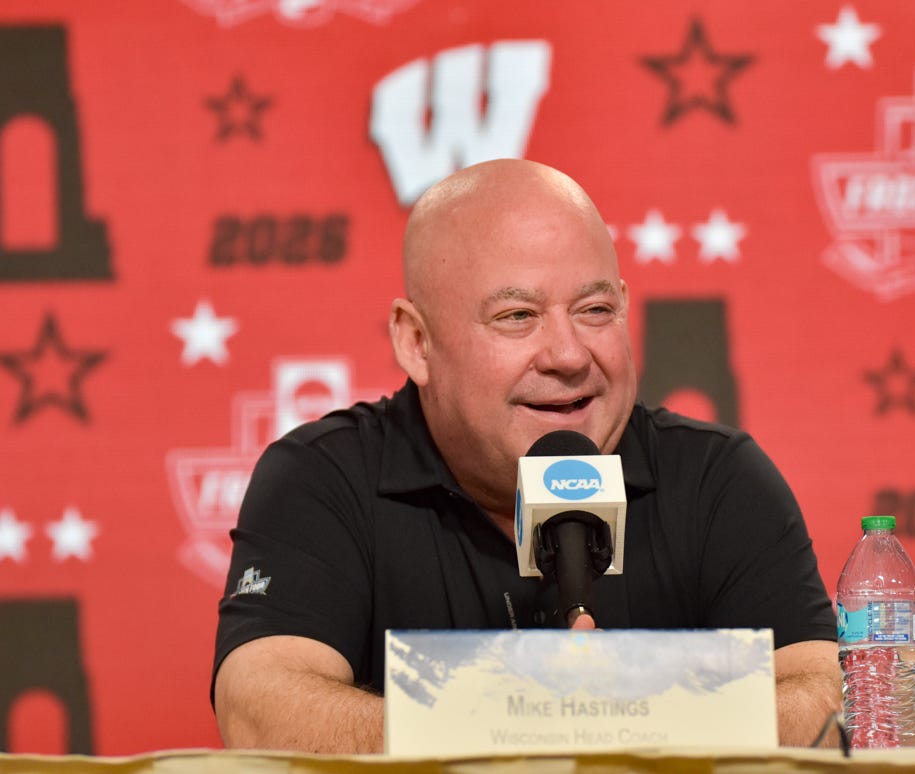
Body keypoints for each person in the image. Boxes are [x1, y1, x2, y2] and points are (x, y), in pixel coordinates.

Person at [212, 159, 841, 753]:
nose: (568, 355)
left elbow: (829, 702)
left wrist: (626, 713)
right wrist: (521, 718)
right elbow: (262, 709)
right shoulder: (324, 477)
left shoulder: (718, 478)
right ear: (417, 341)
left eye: (596, 311)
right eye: (518, 316)